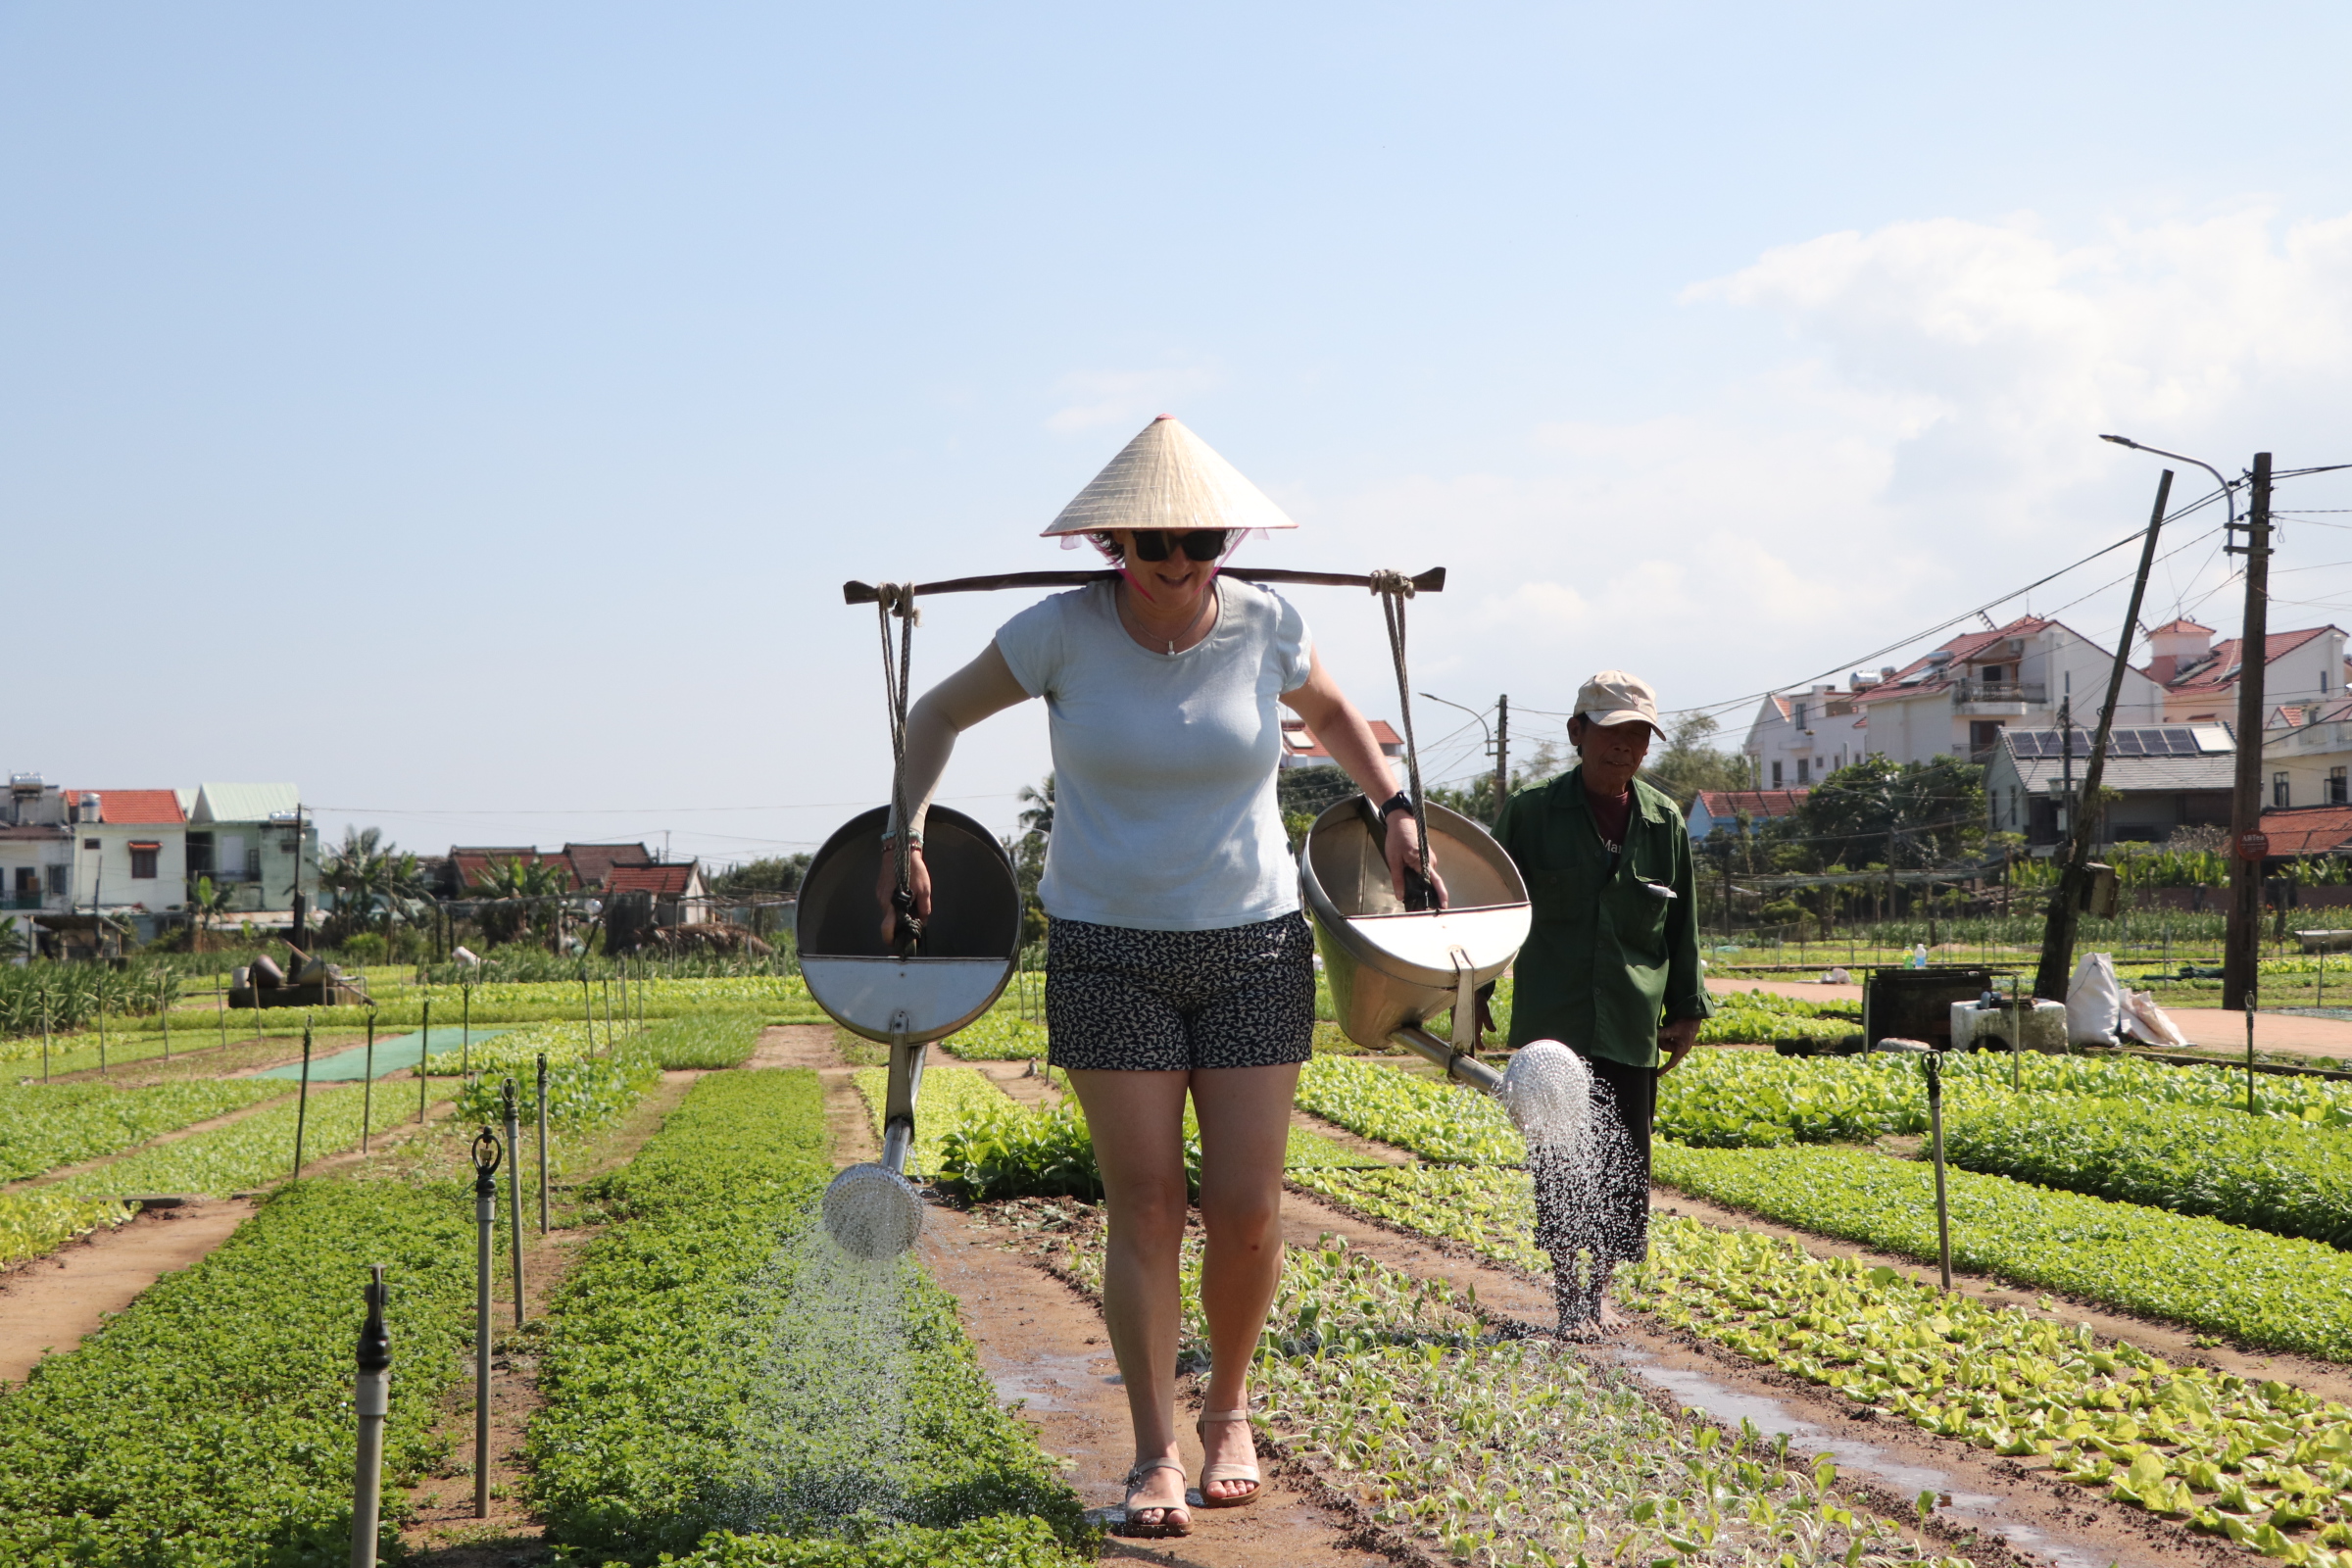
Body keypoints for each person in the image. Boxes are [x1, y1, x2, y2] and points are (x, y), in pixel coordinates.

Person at [872, 416, 1436, 1538]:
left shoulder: (1270, 624)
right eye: (1155, 545)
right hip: (1106, 944)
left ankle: (1229, 1408)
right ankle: (1153, 1447)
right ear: (1111, 543)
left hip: (1254, 942)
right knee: (1145, 1202)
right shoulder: (1059, 635)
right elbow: (934, 712)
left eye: (1201, 543)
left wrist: (1398, 812)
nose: (1179, 567)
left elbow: (1332, 716)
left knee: (1244, 1207)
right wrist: (906, 832)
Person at [1485, 669, 1710, 1325]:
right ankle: (1565, 1295)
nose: (1626, 748)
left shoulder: (1663, 820)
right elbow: (1495, 906)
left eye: (1640, 735)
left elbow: (1683, 922)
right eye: (1613, 733)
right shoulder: (1530, 814)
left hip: (1631, 1018)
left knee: (1624, 1158)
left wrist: (1688, 1008)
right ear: (1578, 733)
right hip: (1554, 1023)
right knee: (1559, 1157)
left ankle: (1598, 1291)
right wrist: (1475, 994)